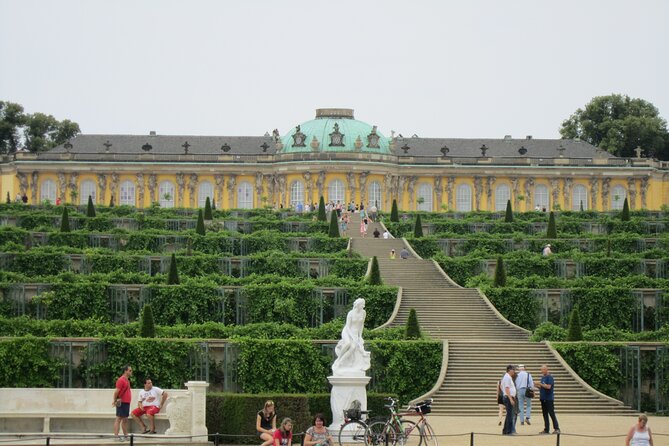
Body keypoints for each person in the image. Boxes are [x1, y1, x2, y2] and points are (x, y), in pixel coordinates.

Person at [332, 298, 371, 376]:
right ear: (358, 305)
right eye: (362, 304)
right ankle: (338, 359)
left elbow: (361, 325)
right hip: (347, 332)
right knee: (348, 343)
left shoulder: (363, 312)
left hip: (356, 333)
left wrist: (360, 336)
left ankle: (340, 362)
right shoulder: (351, 313)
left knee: (353, 347)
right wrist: (352, 337)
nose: (363, 306)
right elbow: (348, 326)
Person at [112, 365, 133, 441]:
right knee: (118, 419)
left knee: (125, 420)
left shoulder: (127, 380)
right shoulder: (121, 380)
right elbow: (116, 392)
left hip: (126, 402)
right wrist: (114, 401)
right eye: (130, 370)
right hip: (122, 402)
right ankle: (116, 437)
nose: (131, 372)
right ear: (125, 371)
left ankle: (126, 436)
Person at [538, 364, 560, 435]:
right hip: (543, 398)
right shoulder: (543, 377)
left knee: (551, 413)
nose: (542, 371)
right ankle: (546, 429)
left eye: (543, 370)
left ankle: (556, 428)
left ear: (546, 369)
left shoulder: (549, 377)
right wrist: (536, 385)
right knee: (545, 414)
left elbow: (548, 387)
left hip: (549, 399)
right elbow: (542, 387)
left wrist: (540, 384)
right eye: (541, 370)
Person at [501, 364, 516, 435]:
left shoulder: (507, 377)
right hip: (508, 397)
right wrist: (510, 399)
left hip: (507, 397)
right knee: (510, 415)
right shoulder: (507, 377)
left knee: (509, 415)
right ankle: (508, 431)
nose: (514, 371)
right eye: (513, 370)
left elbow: (502, 387)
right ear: (510, 370)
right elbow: (507, 388)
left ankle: (505, 430)